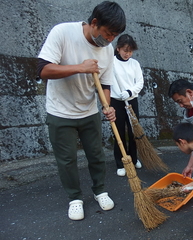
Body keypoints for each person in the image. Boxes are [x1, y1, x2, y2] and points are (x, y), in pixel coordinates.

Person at [37, 1, 126, 220]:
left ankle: (100, 190)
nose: (110, 40)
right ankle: (75, 198)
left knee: (96, 155)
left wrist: (108, 107)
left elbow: (105, 85)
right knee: (66, 160)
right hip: (60, 112)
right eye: (108, 33)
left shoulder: (107, 50)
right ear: (94, 23)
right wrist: (80, 67)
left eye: (115, 36)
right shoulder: (63, 32)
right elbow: (43, 69)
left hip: (88, 112)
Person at [111, 34, 144, 176]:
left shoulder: (134, 64)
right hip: (116, 101)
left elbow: (140, 83)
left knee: (133, 131)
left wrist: (130, 91)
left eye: (130, 51)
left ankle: (134, 158)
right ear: (118, 48)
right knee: (118, 132)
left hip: (131, 100)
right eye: (125, 50)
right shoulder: (110, 62)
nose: (127, 54)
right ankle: (121, 162)